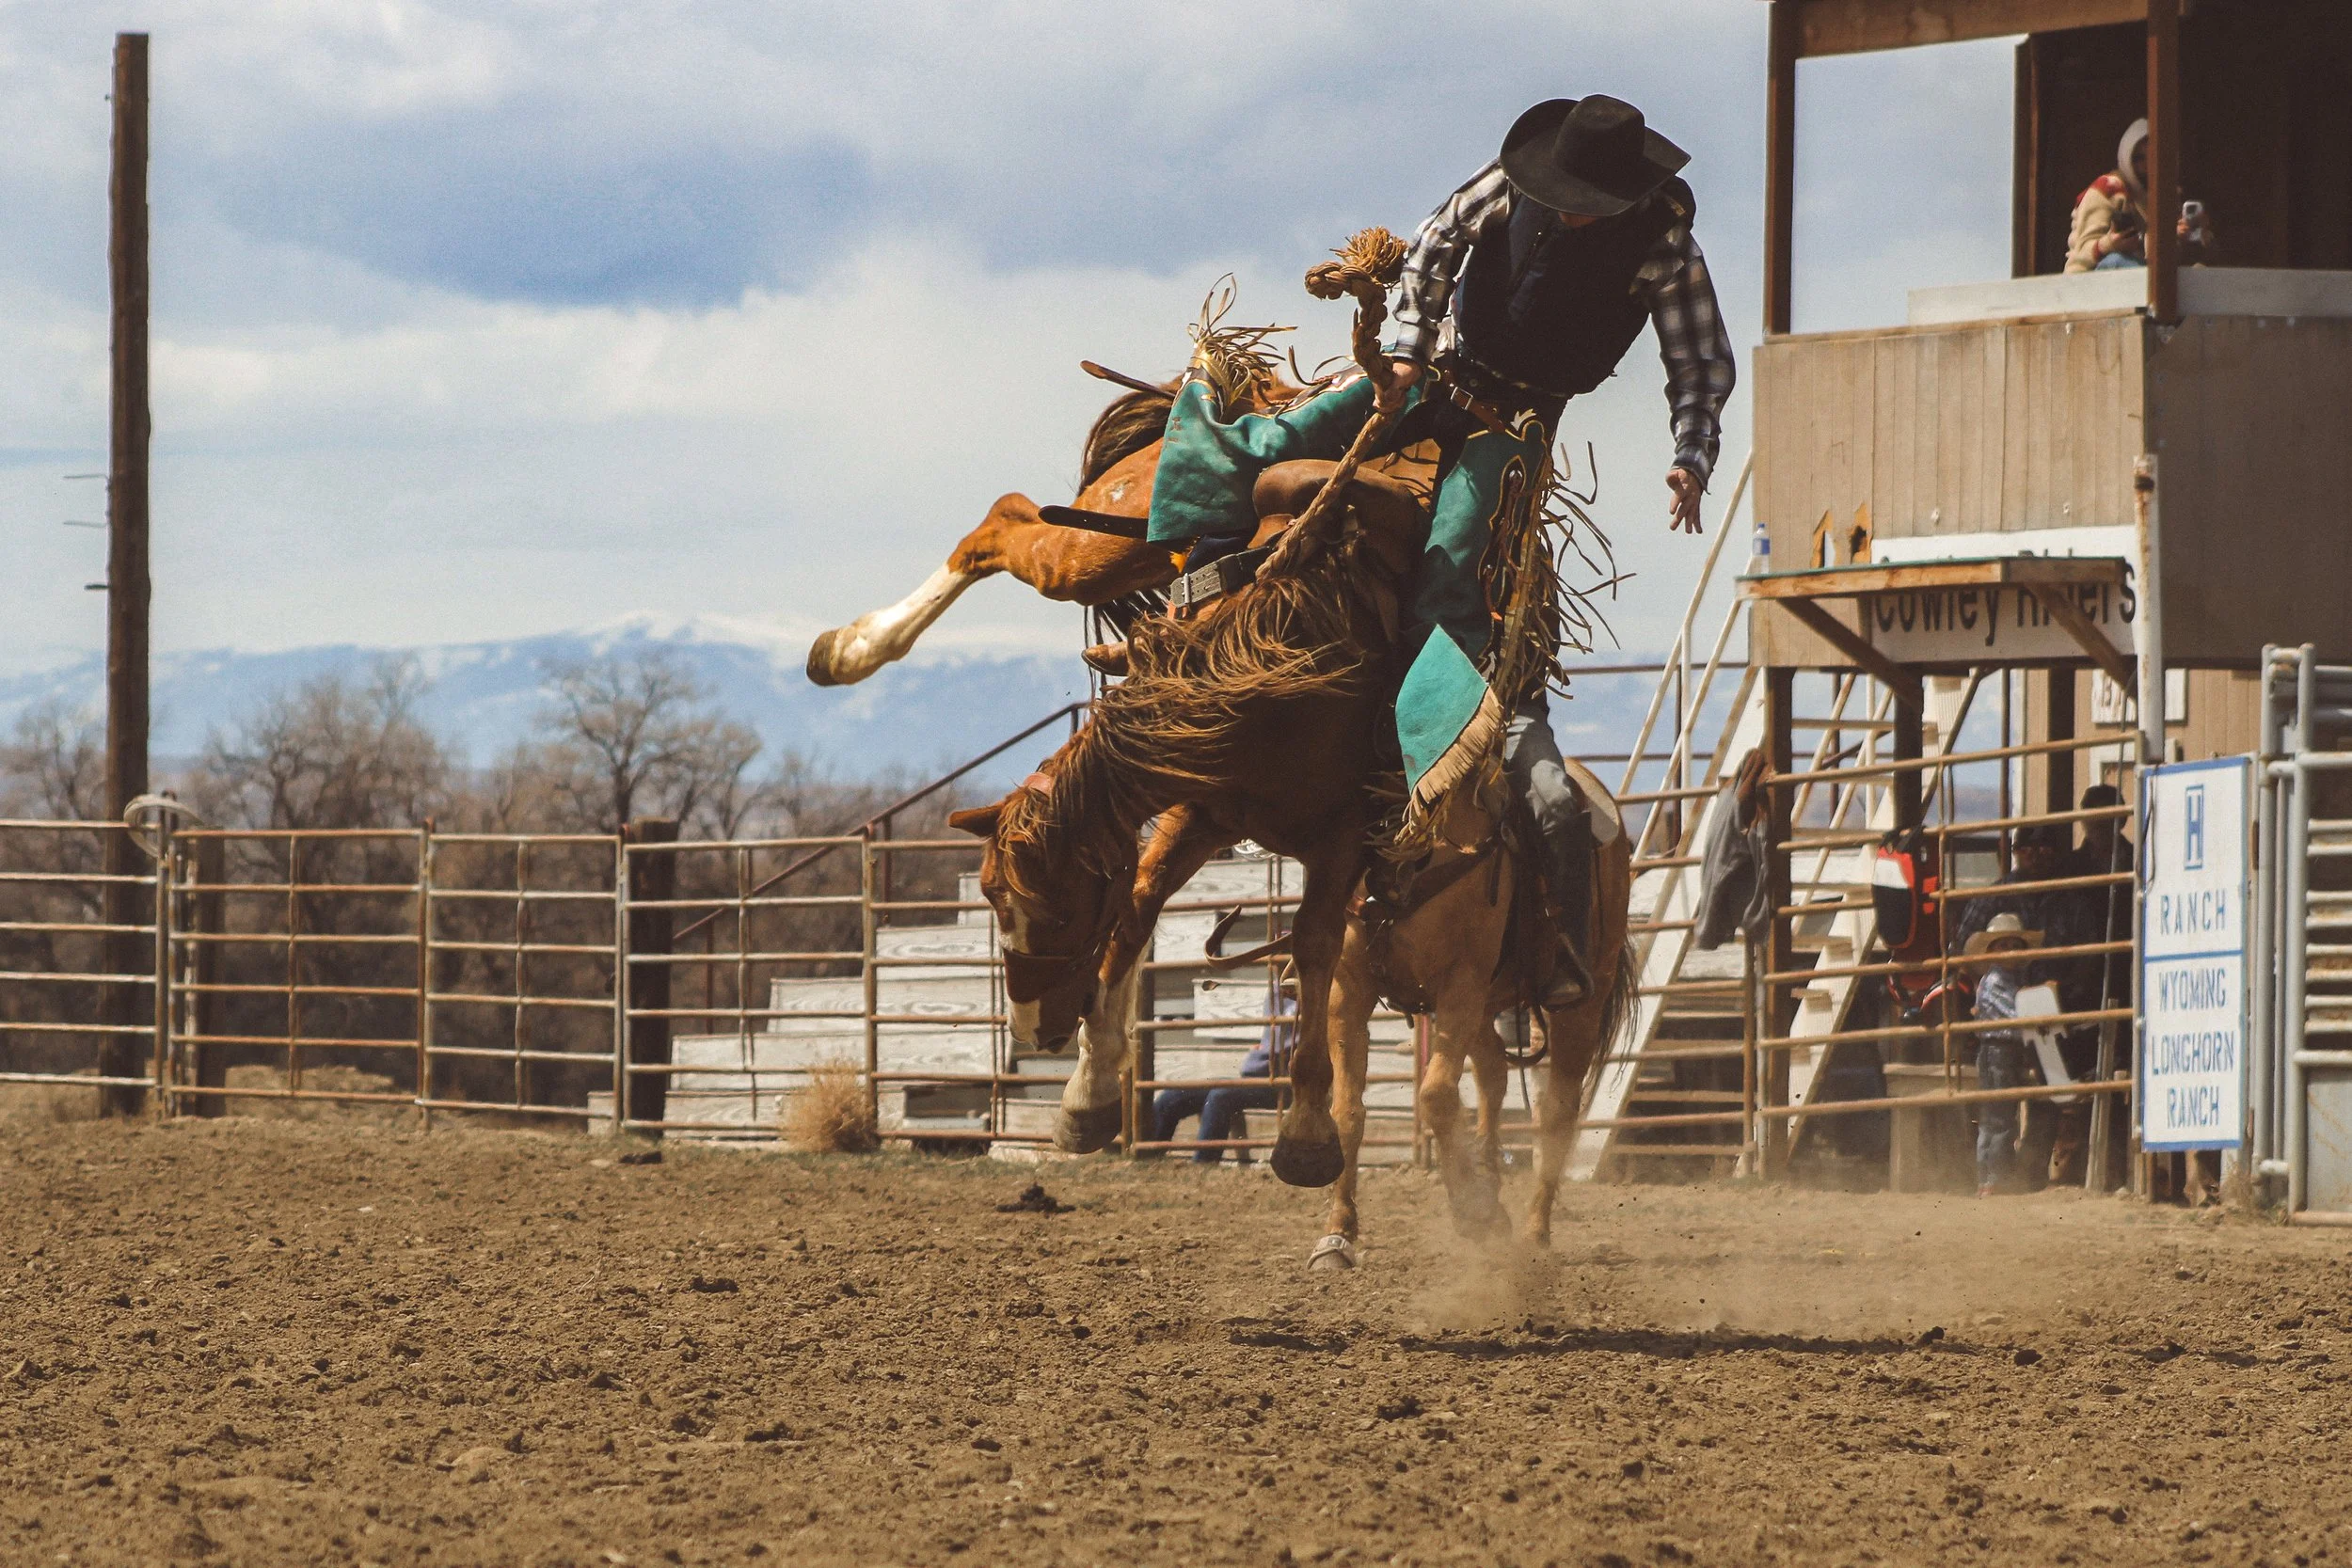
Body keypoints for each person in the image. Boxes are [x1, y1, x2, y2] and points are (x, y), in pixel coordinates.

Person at [1142, 95, 1735, 1005]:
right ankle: (1186, 577)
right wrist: (1409, 348)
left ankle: (1419, 764)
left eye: (1587, 200)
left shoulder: (1662, 245)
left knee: (1452, 567)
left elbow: (1699, 364)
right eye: (1565, 193)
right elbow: (1430, 248)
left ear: (1622, 195)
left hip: (1517, 425)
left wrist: (1692, 456)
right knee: (1286, 440)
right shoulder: (1509, 183)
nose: (1570, 209)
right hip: (1439, 374)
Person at [1148, 976, 1293, 1164]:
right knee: (1174, 1096)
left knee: (1220, 1096)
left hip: (1284, 1082)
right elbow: (1271, 1039)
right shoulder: (1277, 990)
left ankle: (1203, 1163)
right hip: (1259, 1074)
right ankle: (1147, 1155)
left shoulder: (1315, 996)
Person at [2064, 118, 2217, 273]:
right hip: (2088, 280)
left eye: (2153, 156)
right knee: (2117, 260)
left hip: (2140, 278)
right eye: (2139, 158)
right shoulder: (2110, 188)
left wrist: (2185, 237)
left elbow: (2159, 262)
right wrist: (2109, 244)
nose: (2147, 164)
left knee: (2199, 271)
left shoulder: (2167, 197)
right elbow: (2080, 255)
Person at [1966, 912, 2042, 1196]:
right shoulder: (1997, 980)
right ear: (1991, 951)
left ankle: (1988, 1179)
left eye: (2015, 944)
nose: (2010, 950)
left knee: (1994, 1117)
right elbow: (2016, 1016)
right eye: (2003, 945)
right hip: (1998, 1051)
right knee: (1999, 1118)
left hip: (2000, 1051)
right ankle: (1995, 1179)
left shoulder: (2004, 978)